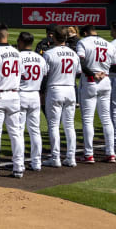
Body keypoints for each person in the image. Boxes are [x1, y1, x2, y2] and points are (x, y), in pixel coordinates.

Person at [0, 26, 24, 179]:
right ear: (7, 35)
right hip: (14, 95)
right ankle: (19, 167)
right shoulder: (17, 53)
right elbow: (21, 74)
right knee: (15, 133)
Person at [76, 24, 115, 163]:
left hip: (90, 80)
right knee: (106, 118)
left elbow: (80, 62)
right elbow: (115, 66)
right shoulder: (108, 44)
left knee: (87, 119)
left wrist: (93, 73)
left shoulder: (83, 42)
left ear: (85, 33)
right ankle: (110, 153)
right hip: (106, 80)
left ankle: (89, 154)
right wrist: (103, 72)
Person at [42, 28, 79, 167]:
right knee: (69, 125)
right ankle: (71, 157)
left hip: (55, 89)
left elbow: (44, 75)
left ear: (54, 38)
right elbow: (79, 72)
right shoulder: (73, 54)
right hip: (70, 89)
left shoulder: (49, 53)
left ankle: (56, 158)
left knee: (54, 125)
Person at [15, 32, 47, 176]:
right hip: (35, 94)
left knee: (19, 131)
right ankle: (36, 162)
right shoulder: (40, 58)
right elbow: (45, 77)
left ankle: (20, 164)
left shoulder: (17, 57)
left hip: (21, 95)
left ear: (20, 42)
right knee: (35, 130)